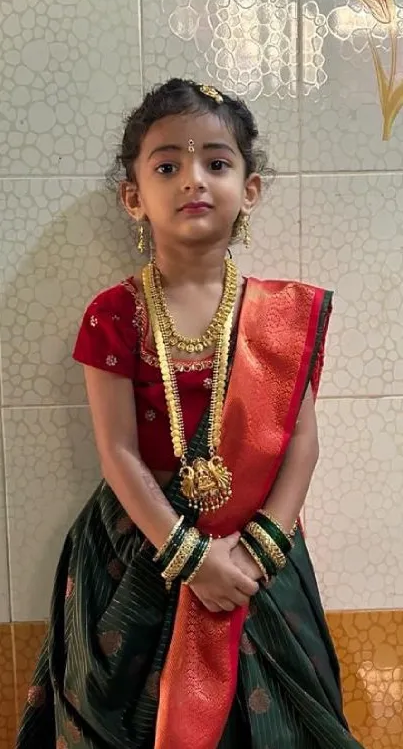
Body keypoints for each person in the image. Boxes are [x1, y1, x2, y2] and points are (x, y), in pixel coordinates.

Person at [16, 78, 365, 749]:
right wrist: (189, 556)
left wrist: (260, 548)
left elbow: (299, 441)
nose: (192, 179)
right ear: (132, 197)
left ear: (249, 188)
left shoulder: (281, 317)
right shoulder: (113, 314)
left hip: (259, 550)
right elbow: (116, 450)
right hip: (137, 549)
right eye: (167, 165)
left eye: (216, 161)